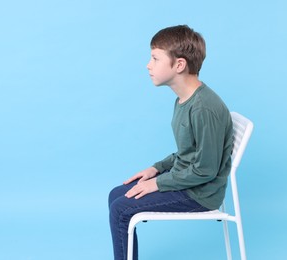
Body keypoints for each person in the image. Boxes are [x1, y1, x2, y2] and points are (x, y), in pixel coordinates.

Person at [108, 25, 233, 260]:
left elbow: (206, 168)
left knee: (120, 208)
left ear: (179, 65)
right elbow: (187, 152)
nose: (148, 65)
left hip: (201, 193)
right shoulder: (184, 100)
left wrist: (158, 184)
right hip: (188, 180)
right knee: (115, 194)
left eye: (155, 58)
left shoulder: (204, 108)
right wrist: (156, 168)